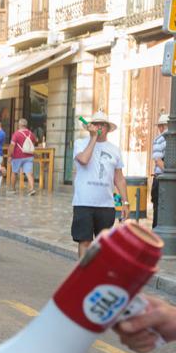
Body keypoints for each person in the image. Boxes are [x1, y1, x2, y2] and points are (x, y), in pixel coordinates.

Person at [72, 111, 128, 259]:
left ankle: (97, 276)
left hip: (106, 204)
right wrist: (93, 138)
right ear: (91, 126)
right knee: (85, 241)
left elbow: (119, 178)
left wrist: (125, 202)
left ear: (108, 129)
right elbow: (84, 160)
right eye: (96, 124)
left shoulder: (115, 150)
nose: (99, 127)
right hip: (83, 201)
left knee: (102, 245)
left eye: (103, 125)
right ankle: (84, 277)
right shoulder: (80, 143)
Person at [9, 119, 38, 194]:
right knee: (29, 173)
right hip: (29, 156)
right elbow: (34, 142)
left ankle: (13, 189)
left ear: (19, 125)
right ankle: (31, 189)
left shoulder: (16, 134)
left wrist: (10, 155)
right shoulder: (31, 134)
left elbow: (12, 145)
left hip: (17, 156)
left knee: (14, 172)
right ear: (26, 125)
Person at [152, 112, 167, 228]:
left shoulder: (158, 140)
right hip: (168, 180)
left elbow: (158, 161)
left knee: (157, 210)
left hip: (161, 180)